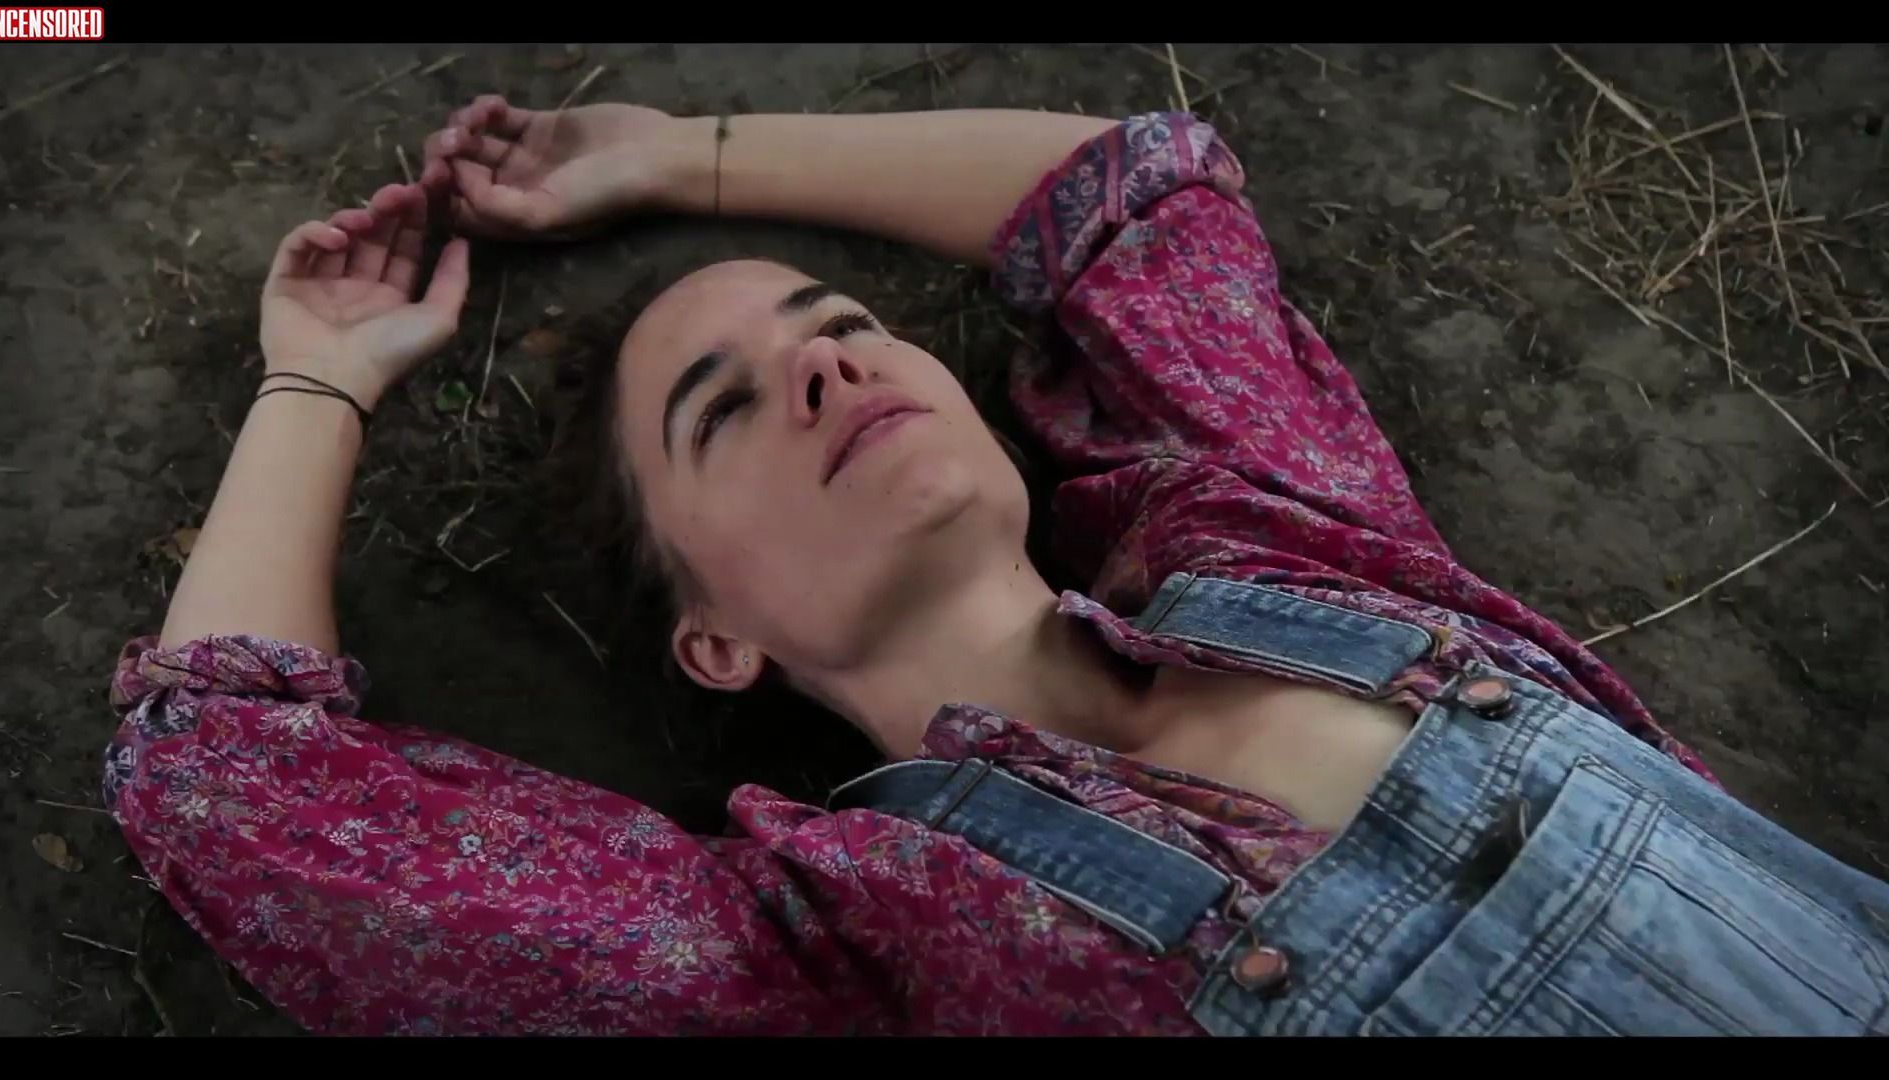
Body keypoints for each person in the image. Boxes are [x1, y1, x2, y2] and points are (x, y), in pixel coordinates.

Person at [103, 98, 1889, 1037]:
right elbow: (229, 790)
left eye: (843, 327)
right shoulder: (835, 939)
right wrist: (318, 376)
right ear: (714, 641)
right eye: (727, 411)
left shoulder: (1276, 538)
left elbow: (1130, 188)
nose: (828, 369)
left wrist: (681, 157)